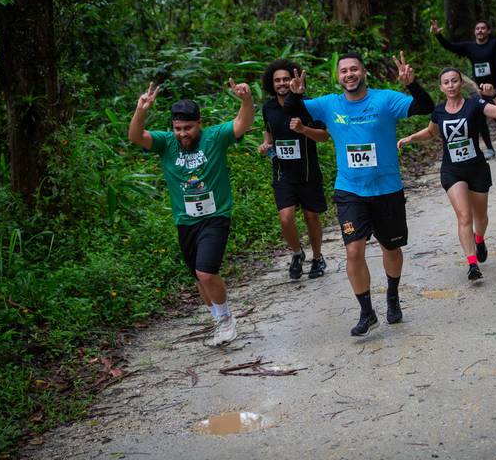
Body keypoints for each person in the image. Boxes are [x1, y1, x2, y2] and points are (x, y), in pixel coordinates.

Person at [284, 51, 434, 336]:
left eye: (354, 69)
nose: (349, 75)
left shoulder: (385, 100)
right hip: (350, 189)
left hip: (387, 188)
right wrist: (295, 94)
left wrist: (412, 84)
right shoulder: (329, 104)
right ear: (338, 76)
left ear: (364, 72)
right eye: (343, 71)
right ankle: (366, 312)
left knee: (391, 247)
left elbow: (425, 107)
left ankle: (392, 296)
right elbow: (293, 112)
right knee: (353, 250)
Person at [128, 79, 254, 346]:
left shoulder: (214, 137)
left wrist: (246, 100)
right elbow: (136, 136)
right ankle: (218, 321)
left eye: (188, 128)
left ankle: (227, 319)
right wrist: (141, 110)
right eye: (177, 129)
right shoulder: (166, 143)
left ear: (199, 123)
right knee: (199, 277)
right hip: (185, 220)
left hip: (215, 216)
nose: (182, 134)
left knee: (206, 272)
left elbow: (242, 123)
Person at [398, 68, 496, 281]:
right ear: (441, 87)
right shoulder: (439, 111)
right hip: (452, 171)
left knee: (480, 217)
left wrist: (494, 95)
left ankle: (479, 239)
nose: (450, 85)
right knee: (464, 216)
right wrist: (411, 138)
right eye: (446, 82)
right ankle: (472, 264)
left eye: (454, 81)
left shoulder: (475, 104)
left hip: (476, 168)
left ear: (460, 83)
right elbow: (431, 132)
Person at [258, 59, 330, 280]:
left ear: (294, 80)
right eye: (277, 80)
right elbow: (269, 133)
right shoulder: (268, 108)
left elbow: (324, 137)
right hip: (283, 173)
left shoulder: (308, 105)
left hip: (307, 172)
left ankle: (317, 258)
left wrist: (303, 129)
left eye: (286, 79)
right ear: (271, 83)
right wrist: (266, 146)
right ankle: (297, 253)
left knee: (311, 217)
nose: (281, 83)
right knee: (286, 218)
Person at [430, 13, 496, 159]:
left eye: (483, 28)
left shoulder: (495, 44)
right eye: (477, 28)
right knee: (480, 118)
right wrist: (438, 35)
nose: (480, 31)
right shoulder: (470, 47)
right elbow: (450, 46)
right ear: (474, 32)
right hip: (477, 89)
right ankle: (490, 149)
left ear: (488, 31)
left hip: (494, 87)